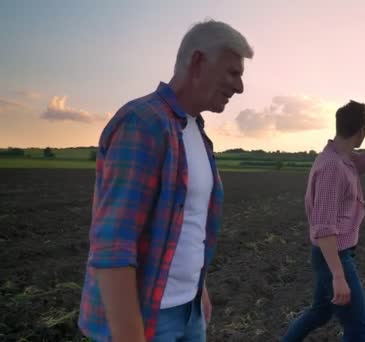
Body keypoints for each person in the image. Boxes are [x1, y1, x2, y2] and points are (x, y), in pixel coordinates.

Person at [78, 20, 253, 342]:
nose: (240, 87)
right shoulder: (143, 123)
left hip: (189, 311)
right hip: (149, 319)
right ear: (199, 62)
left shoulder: (195, 132)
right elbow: (113, 243)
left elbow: (187, 224)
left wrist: (197, 289)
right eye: (233, 72)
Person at [282, 101, 365, 341]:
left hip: (334, 256)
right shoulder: (333, 166)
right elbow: (324, 227)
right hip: (334, 257)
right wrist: (339, 276)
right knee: (359, 331)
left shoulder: (348, 159)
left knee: (319, 313)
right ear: (361, 132)